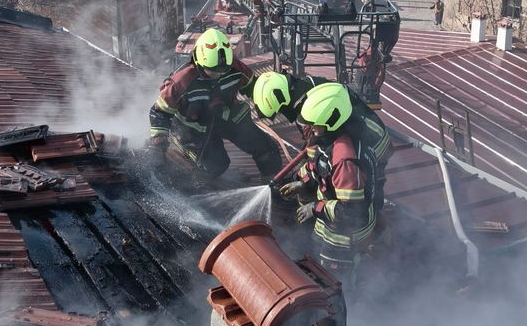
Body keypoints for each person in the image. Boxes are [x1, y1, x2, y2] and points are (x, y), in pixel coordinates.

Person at [278, 83, 379, 288]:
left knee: (336, 285)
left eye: (315, 125)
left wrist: (314, 208)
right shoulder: (332, 141)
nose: (312, 131)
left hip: (345, 237)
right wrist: (302, 182)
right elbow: (319, 167)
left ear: (332, 121)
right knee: (317, 268)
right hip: (330, 227)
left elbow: (351, 211)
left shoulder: (345, 160)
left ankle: (354, 312)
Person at [148, 28, 281, 178]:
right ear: (199, 62)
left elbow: (255, 89)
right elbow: (160, 112)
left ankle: (275, 183)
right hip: (194, 129)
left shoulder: (235, 69)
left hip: (226, 118)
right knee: (216, 165)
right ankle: (180, 142)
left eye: (223, 71)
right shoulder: (180, 82)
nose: (218, 75)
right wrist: (158, 146)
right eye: (213, 71)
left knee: (266, 148)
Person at [252, 72, 391, 178]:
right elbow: (313, 145)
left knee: (355, 189)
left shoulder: (310, 104)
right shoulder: (306, 89)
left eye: (280, 110)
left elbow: (315, 145)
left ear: (282, 99)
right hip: (367, 138)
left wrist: (299, 176)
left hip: (373, 144)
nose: (282, 114)